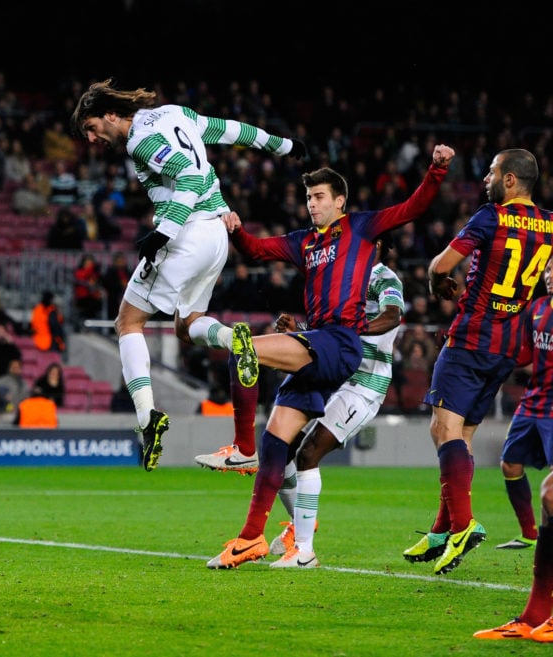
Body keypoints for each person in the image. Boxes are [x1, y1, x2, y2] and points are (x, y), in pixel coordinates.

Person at [203, 144, 454, 570]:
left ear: (340, 201)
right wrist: (235, 230)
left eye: (319, 197)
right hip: (327, 351)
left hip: (346, 355)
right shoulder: (305, 243)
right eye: (308, 198)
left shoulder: (362, 232)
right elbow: (256, 251)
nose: (312, 204)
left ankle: (243, 451)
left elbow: (413, 208)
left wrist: (436, 170)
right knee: (278, 443)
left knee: (242, 347)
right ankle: (256, 539)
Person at [70, 78, 305, 472]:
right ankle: (236, 340)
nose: (93, 139)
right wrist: (284, 145)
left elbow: (189, 178)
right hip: (216, 233)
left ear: (110, 114)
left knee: (128, 322)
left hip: (187, 233)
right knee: (187, 324)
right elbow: (231, 130)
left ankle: (146, 417)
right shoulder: (176, 114)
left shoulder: (139, 140)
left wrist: (165, 230)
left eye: (92, 128)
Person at [406, 148, 553, 576]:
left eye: (491, 171)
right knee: (463, 435)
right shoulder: (548, 224)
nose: (486, 178)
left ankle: (463, 525)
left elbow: (440, 264)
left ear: (510, 180)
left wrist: (438, 283)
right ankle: (441, 529)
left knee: (442, 428)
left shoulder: (491, 216)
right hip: (508, 346)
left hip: (473, 336)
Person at [267, 235, 404, 568]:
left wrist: (353, 331)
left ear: (379, 246)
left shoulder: (384, 277)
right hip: (336, 375)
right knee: (283, 447)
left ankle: (304, 551)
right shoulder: (342, 279)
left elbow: (392, 315)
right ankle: (300, 527)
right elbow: (328, 332)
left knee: (309, 453)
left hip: (365, 385)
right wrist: (299, 330)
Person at [474, 258, 553, 640]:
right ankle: (533, 616)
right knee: (514, 468)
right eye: (549, 269)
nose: (550, 275)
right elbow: (523, 354)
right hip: (535, 402)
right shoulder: (537, 309)